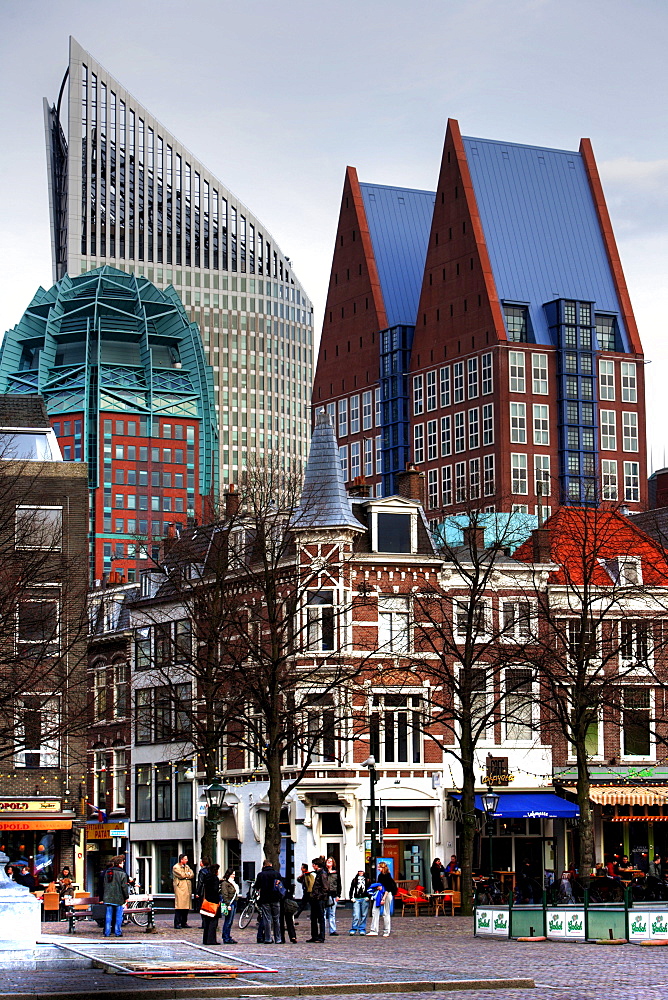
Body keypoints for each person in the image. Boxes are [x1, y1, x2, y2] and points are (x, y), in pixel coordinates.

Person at [253, 859, 283, 944]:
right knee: (276, 919)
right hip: (275, 898)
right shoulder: (276, 874)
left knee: (267, 919)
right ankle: (278, 938)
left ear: (264, 866)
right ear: (271, 865)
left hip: (265, 899)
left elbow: (257, 886)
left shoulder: (261, 875)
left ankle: (268, 938)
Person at [368, 862, 397, 937]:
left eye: (379, 867)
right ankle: (374, 930)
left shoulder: (387, 876)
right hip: (380, 894)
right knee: (375, 911)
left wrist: (383, 898)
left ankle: (386, 931)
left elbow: (388, 888)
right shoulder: (380, 875)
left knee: (385, 913)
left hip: (386, 894)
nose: (378, 869)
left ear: (383, 868)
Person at [102, 855, 128, 938]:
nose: (123, 864)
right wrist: (126, 896)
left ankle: (107, 932)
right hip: (118, 897)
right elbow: (124, 886)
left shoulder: (108, 872)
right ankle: (117, 932)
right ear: (120, 863)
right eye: (122, 863)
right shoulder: (122, 873)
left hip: (108, 896)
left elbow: (104, 884)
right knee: (118, 915)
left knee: (108, 915)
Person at [307, 857, 329, 943]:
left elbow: (325, 887)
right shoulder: (318, 873)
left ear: (316, 865)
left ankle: (321, 936)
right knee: (313, 918)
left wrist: (319, 897)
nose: (312, 866)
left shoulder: (322, 874)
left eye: (313, 864)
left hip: (319, 900)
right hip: (315, 899)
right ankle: (314, 936)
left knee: (320, 918)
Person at [201, 862, 221, 945]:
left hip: (207, 900)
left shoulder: (207, 878)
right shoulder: (215, 879)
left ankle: (206, 939)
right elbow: (215, 890)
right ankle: (211, 940)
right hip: (213, 902)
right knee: (213, 922)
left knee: (207, 922)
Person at [172, 853, 194, 929]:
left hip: (187, 888)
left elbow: (192, 874)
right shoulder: (176, 867)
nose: (187, 860)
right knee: (180, 906)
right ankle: (177, 923)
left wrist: (187, 874)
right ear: (181, 860)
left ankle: (184, 922)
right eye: (185, 859)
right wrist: (187, 874)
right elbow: (181, 875)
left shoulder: (187, 866)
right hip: (180, 888)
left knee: (186, 907)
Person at [220, 868, 239, 944]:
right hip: (229, 902)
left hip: (234, 902)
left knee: (230, 921)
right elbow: (224, 894)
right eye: (232, 874)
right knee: (228, 921)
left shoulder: (233, 883)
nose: (234, 876)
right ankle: (226, 937)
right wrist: (227, 904)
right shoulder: (225, 883)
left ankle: (228, 936)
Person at [348, 869, 370, 935]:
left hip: (364, 898)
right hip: (356, 898)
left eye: (362, 872)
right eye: (359, 872)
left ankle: (362, 928)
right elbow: (351, 889)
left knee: (364, 914)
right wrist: (351, 897)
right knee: (356, 915)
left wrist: (368, 896)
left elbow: (369, 888)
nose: (360, 873)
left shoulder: (367, 880)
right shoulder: (354, 880)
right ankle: (354, 928)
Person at [324, 856, 341, 936]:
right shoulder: (323, 872)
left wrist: (338, 895)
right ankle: (323, 929)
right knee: (323, 913)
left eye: (331, 861)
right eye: (328, 861)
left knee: (332, 913)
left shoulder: (336, 873)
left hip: (333, 894)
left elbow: (338, 884)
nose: (329, 862)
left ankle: (332, 930)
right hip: (324, 895)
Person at [195, 857, 211, 927]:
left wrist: (197, 892)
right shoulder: (210, 870)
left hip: (203, 891)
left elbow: (200, 883)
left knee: (203, 906)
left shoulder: (202, 871)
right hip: (209, 891)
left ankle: (204, 923)